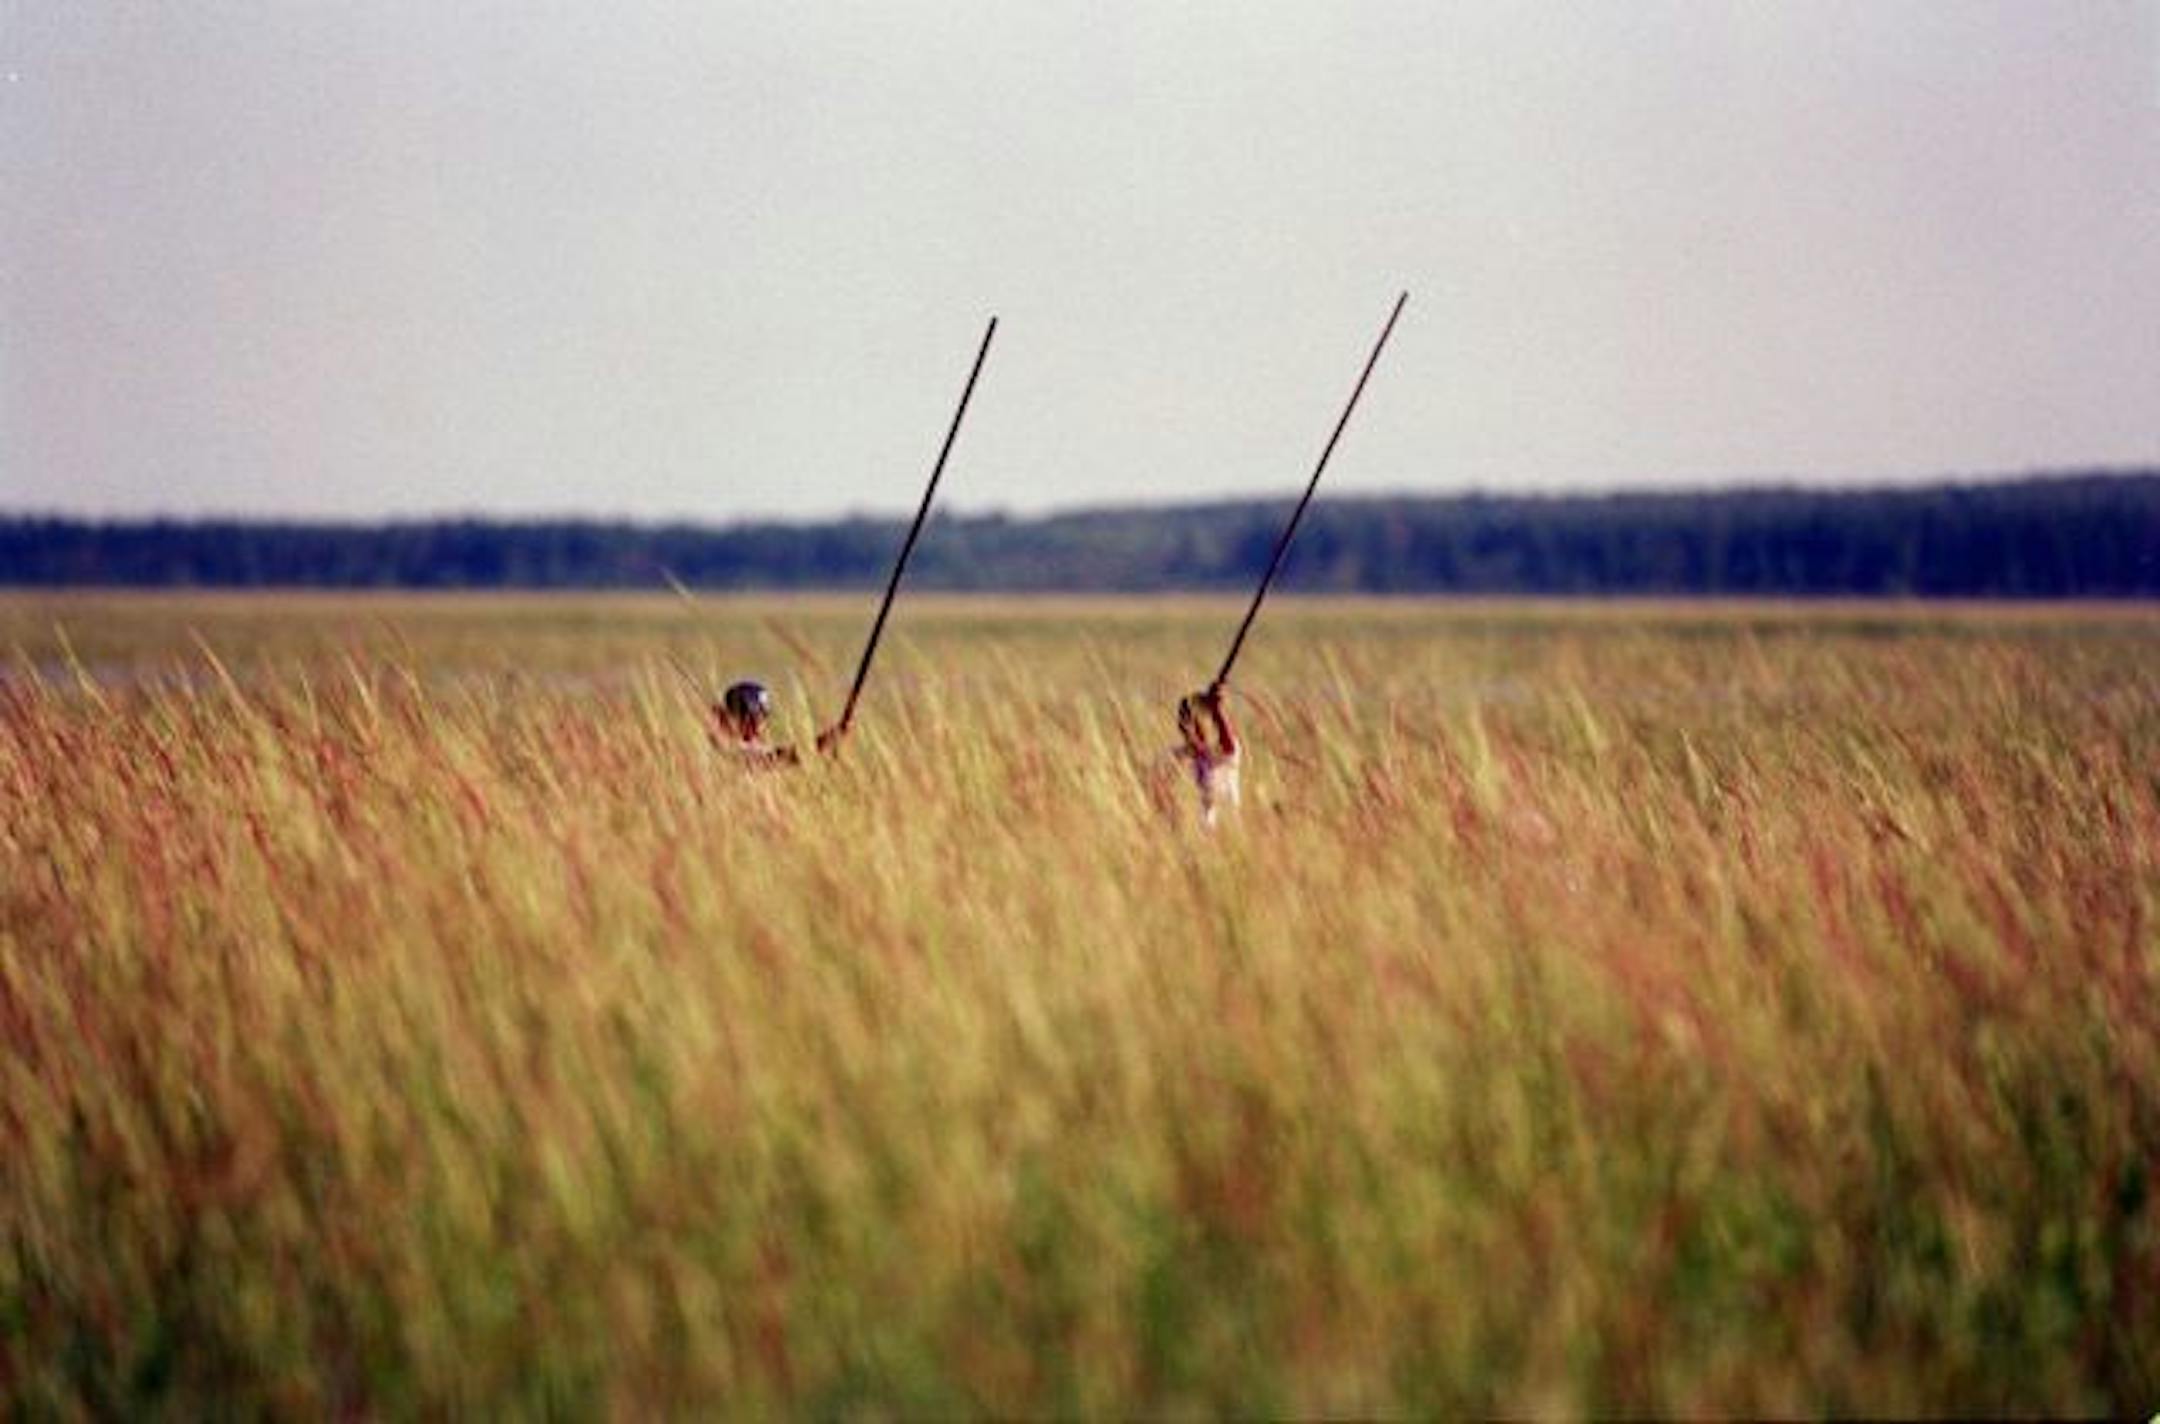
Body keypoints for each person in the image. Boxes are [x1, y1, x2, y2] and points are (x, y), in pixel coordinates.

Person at [709, 679, 846, 768]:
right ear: (731, 715)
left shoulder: (746, 745)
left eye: (762, 718)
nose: (758, 727)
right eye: (751, 718)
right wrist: (826, 741)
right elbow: (779, 758)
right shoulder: (728, 747)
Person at [1173, 684, 1241, 828]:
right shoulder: (1178, 756)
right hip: (1197, 834)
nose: (1190, 727)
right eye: (1185, 720)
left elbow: (1229, 747)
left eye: (1196, 720)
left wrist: (1217, 710)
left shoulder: (1222, 752)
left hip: (1227, 828)